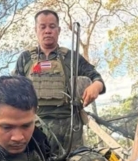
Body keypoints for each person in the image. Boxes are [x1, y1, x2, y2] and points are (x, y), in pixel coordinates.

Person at [13, 9, 106, 153]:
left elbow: (96, 77)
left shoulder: (71, 57)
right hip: (36, 128)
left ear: (59, 30)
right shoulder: (25, 58)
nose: (47, 31)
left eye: (52, 26)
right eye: (42, 27)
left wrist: (96, 86)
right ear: (36, 30)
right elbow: (13, 91)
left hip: (70, 128)